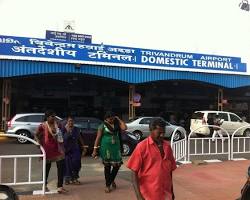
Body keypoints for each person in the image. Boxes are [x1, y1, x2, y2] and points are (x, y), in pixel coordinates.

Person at [127, 118, 177, 200]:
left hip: (166, 194)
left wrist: (171, 191)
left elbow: (169, 171)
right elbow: (134, 173)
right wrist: (139, 196)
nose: (162, 135)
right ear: (151, 130)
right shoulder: (141, 147)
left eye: (163, 133)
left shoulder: (167, 147)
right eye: (159, 133)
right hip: (149, 195)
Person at [92, 111, 127, 193]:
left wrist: (118, 119)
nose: (111, 119)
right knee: (107, 167)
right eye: (109, 118)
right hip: (106, 148)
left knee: (117, 166)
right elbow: (98, 138)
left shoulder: (117, 124)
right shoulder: (102, 126)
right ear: (106, 118)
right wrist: (95, 149)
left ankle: (111, 180)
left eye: (112, 117)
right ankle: (108, 185)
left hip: (116, 148)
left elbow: (124, 128)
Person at [35, 110, 67, 194]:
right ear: (47, 117)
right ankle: (43, 185)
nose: (54, 118)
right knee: (46, 168)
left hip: (58, 149)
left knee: (61, 167)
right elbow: (36, 135)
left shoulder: (58, 124)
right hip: (48, 149)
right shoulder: (42, 126)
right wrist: (38, 142)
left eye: (55, 116)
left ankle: (60, 186)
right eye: (52, 116)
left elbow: (63, 132)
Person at [61, 116, 87, 185]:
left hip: (75, 149)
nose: (71, 122)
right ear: (67, 122)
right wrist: (68, 132)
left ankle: (74, 178)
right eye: (69, 121)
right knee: (67, 165)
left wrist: (84, 147)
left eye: (72, 121)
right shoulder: (63, 129)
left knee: (77, 164)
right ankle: (67, 179)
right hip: (66, 150)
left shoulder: (77, 129)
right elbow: (62, 139)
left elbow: (80, 138)